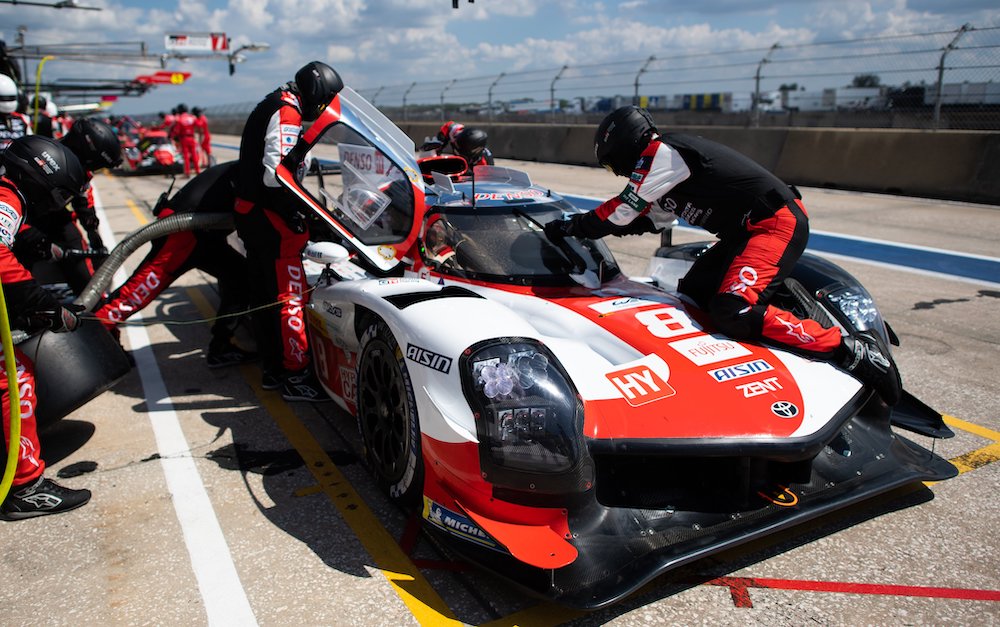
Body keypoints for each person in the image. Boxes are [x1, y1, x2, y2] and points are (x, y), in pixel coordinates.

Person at [544, 105, 901, 405]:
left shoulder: (661, 153)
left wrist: (575, 225)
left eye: (612, 165)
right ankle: (778, 308)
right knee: (695, 295)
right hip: (745, 232)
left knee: (734, 310)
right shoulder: (665, 173)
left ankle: (847, 347)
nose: (617, 171)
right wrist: (595, 227)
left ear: (623, 146)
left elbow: (623, 209)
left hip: (773, 223)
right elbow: (647, 219)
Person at [233, 60, 342, 402]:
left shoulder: (274, 101)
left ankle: (273, 370)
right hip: (269, 220)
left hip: (253, 214)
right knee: (290, 296)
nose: (321, 109)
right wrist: (294, 213)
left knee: (264, 295)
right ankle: (295, 374)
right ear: (313, 92)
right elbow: (275, 176)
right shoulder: (288, 112)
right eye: (322, 101)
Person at [0, 135, 92, 519]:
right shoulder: (7, 197)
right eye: (57, 194)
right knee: (13, 375)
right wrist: (44, 306)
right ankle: (25, 487)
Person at [94, 161, 256, 368]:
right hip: (183, 233)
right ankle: (85, 342)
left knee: (240, 279)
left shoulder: (252, 164)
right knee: (134, 296)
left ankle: (221, 348)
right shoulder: (259, 168)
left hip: (202, 235)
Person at [12, 118, 122, 295]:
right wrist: (27, 232)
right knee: (18, 278)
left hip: (51, 218)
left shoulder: (80, 172)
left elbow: (83, 197)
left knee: (77, 249)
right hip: (19, 221)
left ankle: (91, 300)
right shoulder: (40, 156)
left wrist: (91, 226)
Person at [0, 74, 32, 151]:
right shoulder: (23, 119)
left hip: (16, 160)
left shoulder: (23, 119)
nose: (7, 102)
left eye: (10, 98)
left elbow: (31, 143)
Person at [170, 104, 201, 178]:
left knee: (186, 156)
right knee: (194, 155)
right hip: (192, 138)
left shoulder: (179, 119)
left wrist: (174, 137)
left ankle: (187, 173)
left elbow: (177, 131)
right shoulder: (192, 117)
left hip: (184, 139)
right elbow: (198, 125)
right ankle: (198, 171)